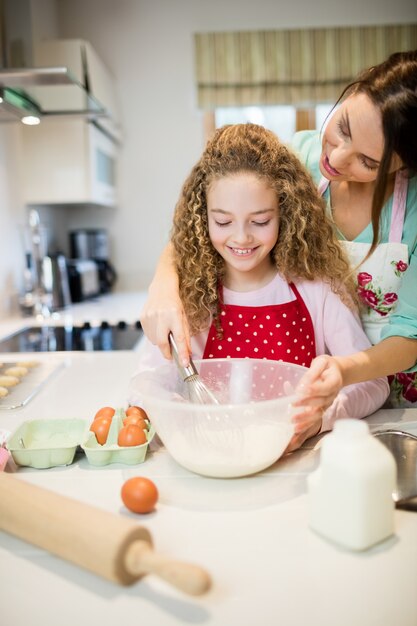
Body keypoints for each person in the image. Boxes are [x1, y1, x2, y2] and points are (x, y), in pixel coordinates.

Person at [141, 49, 417, 412]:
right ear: (350, 93)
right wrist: (163, 284)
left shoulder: (324, 292)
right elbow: (197, 225)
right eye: (343, 128)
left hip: (382, 390)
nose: (334, 159)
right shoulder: (295, 163)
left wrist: (342, 376)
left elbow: (410, 332)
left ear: (403, 168)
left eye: (368, 162)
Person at [136, 123, 389, 450]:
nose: (241, 237)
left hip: (297, 470)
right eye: (223, 221)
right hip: (212, 458)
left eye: (260, 221)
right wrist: (167, 410)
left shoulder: (317, 289)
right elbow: (144, 386)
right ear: (203, 217)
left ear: (285, 213)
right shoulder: (187, 296)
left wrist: (321, 417)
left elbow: (373, 383)